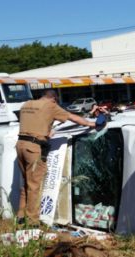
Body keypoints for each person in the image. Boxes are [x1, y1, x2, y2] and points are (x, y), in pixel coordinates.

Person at [16, 90, 96, 226]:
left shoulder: (26, 104)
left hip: (20, 145)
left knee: (26, 183)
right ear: (53, 99)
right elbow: (73, 118)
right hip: (34, 148)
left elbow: (35, 122)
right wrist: (92, 124)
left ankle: (20, 216)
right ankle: (32, 221)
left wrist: (46, 131)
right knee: (35, 185)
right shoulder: (50, 105)